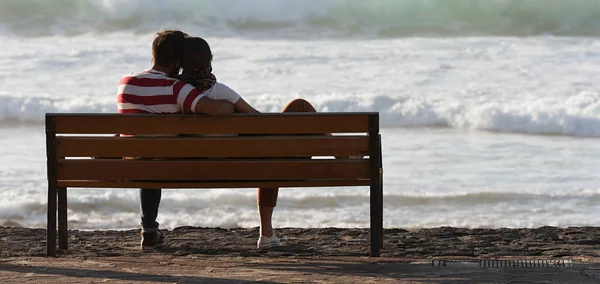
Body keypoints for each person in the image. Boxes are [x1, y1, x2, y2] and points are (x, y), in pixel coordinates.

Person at [176, 37, 321, 249]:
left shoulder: (175, 94)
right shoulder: (218, 91)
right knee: (300, 107)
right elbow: (258, 121)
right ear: (208, 62)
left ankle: (267, 235)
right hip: (247, 163)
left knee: (267, 157)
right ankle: (344, 156)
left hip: (200, 167)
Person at [117, 30, 236, 249]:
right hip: (169, 165)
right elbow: (218, 110)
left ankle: (149, 229)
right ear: (179, 61)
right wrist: (229, 104)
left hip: (133, 163)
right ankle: (150, 230)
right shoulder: (177, 88)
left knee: (147, 156)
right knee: (156, 155)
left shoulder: (126, 83)